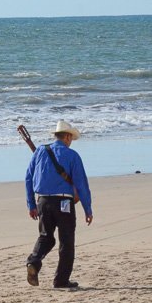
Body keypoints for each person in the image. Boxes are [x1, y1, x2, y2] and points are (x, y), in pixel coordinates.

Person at [25, 121, 93, 289]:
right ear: (67, 137)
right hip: (64, 202)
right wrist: (87, 209)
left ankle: (33, 262)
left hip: (43, 201)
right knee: (66, 242)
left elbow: (28, 178)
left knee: (45, 237)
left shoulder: (40, 151)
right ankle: (61, 280)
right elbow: (81, 185)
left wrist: (31, 204)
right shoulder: (72, 155)